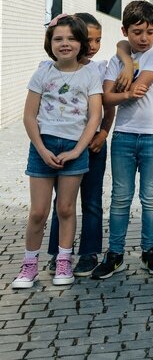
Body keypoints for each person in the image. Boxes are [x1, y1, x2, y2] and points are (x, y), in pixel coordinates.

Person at [12, 15, 103, 289]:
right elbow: (29, 116)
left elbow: (94, 116)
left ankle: (64, 261)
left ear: (81, 43)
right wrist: (41, 149)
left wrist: (77, 150)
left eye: (72, 39)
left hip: (75, 149)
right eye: (59, 39)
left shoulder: (91, 74)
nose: (65, 44)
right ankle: (29, 266)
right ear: (50, 43)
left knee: (65, 208)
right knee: (38, 212)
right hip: (44, 148)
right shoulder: (43, 73)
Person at [93, 1, 153, 279]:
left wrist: (127, 70)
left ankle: (150, 252)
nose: (144, 38)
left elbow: (141, 85)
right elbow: (106, 98)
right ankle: (115, 254)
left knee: (151, 198)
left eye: (150, 32)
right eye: (137, 32)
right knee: (120, 198)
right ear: (125, 31)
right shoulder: (116, 60)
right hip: (124, 135)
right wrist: (125, 65)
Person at [44, 13, 117, 277]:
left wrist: (104, 133)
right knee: (62, 203)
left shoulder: (100, 69)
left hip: (94, 144)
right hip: (65, 144)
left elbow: (107, 107)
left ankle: (89, 253)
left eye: (98, 40)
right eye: (88, 39)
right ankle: (59, 252)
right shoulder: (53, 69)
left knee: (92, 201)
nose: (93, 45)